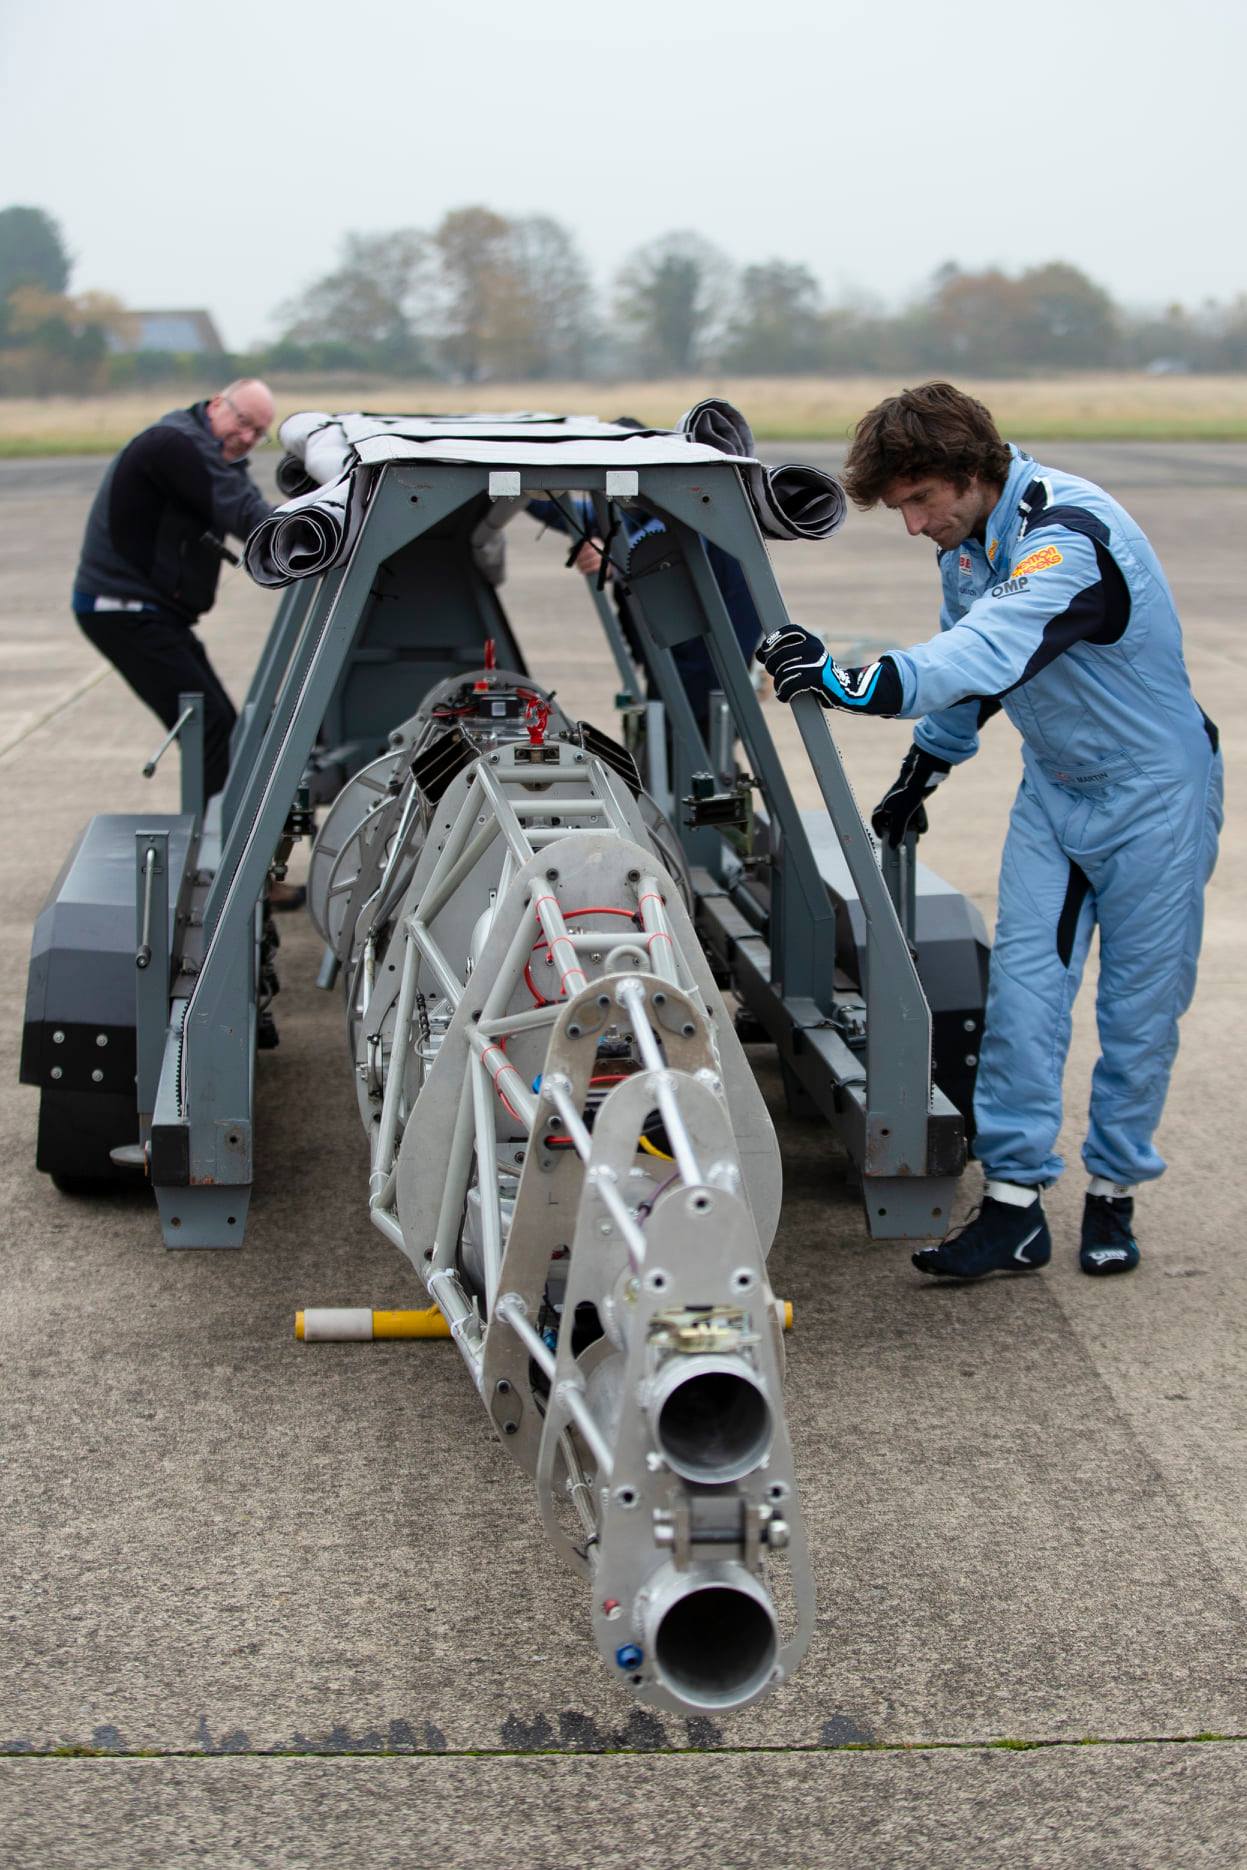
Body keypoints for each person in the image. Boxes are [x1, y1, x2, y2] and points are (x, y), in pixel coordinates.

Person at [758, 381, 1222, 1282]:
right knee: (1021, 1001)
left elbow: (986, 650)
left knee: (1136, 1010)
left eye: (920, 501)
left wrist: (845, 682)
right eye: (898, 508)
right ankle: (1014, 1207)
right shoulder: (968, 546)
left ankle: (1114, 1191)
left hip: (1154, 798)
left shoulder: (1068, 537)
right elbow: (969, 667)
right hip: (1055, 792)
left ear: (972, 471)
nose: (911, 526)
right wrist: (923, 767)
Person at [72, 379, 276, 803]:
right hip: (124, 610)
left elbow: (248, 511)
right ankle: (214, 855)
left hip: (150, 613)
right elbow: (248, 516)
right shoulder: (179, 446)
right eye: (242, 422)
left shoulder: (207, 448)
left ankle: (222, 842)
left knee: (219, 723)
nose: (246, 438)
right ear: (218, 403)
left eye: (258, 433)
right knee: (209, 726)